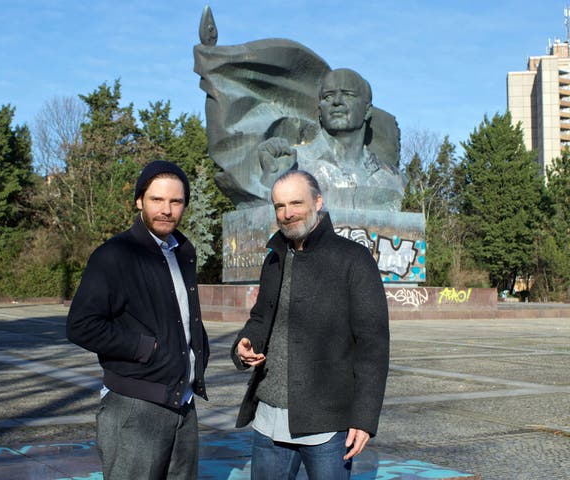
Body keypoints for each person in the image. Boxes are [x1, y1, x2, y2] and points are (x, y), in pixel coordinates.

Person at [231, 170, 390, 479]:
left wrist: (364, 418)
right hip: (268, 419)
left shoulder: (353, 259)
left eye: (295, 203)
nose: (287, 213)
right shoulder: (274, 258)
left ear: (318, 202)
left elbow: (373, 345)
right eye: (279, 206)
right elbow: (261, 316)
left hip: (327, 426)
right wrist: (245, 342)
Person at [67, 160, 209, 480]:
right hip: (135, 408)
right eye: (157, 200)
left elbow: (183, 316)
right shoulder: (115, 254)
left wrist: (198, 349)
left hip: (183, 404)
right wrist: (147, 348)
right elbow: (81, 325)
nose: (167, 209)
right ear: (139, 201)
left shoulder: (183, 251)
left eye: (176, 201)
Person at [259, 68, 405, 211]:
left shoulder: (394, 179)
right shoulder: (293, 164)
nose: (336, 102)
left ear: (367, 110)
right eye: (328, 97)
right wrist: (271, 180)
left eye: (348, 95)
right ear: (320, 111)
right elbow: (264, 220)